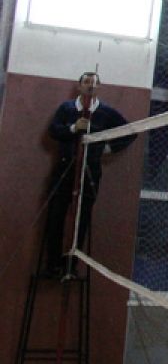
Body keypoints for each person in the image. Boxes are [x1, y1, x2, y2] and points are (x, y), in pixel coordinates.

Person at [42, 71, 135, 276]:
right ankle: (52, 264)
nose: (90, 85)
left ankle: (71, 265)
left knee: (81, 219)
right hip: (64, 170)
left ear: (99, 87)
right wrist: (73, 128)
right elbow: (54, 131)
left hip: (89, 172)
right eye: (86, 82)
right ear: (79, 86)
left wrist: (106, 149)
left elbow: (130, 132)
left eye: (94, 82)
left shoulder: (106, 113)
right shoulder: (66, 108)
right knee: (56, 215)